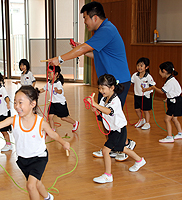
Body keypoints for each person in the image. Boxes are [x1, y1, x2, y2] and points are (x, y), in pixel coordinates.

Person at [48, 1, 135, 161]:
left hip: (118, 83)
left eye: (85, 18)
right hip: (107, 85)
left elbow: (84, 49)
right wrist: (81, 49)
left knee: (114, 117)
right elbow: (96, 54)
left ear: (95, 18)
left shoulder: (106, 30)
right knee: (103, 115)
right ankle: (113, 147)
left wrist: (60, 59)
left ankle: (123, 146)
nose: (85, 22)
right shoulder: (102, 32)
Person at [0, 85, 70, 200]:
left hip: (39, 157)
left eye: (20, 102)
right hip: (23, 159)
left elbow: (54, 135)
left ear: (33, 104)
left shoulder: (40, 123)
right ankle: (48, 197)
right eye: (15, 102)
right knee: (36, 183)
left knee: (30, 186)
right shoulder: (13, 120)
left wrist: (64, 143)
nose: (17, 106)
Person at [87, 74, 146, 184]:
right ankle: (139, 160)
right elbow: (102, 111)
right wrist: (95, 109)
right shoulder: (104, 99)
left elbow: (109, 111)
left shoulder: (115, 101)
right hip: (114, 129)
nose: (101, 91)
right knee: (122, 149)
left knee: (105, 150)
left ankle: (108, 175)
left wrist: (95, 104)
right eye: (99, 88)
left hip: (118, 129)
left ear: (112, 88)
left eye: (103, 88)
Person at [143, 61, 182, 143]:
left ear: (164, 71)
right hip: (176, 100)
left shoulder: (170, 82)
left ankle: (169, 137)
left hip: (174, 102)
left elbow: (162, 91)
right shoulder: (172, 79)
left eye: (160, 70)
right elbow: (174, 91)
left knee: (167, 119)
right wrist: (168, 98)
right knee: (174, 118)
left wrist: (154, 87)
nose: (159, 73)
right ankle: (180, 133)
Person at [39, 66, 79, 132]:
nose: (48, 74)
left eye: (50, 73)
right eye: (48, 72)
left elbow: (60, 91)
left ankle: (75, 123)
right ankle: (52, 130)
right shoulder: (48, 83)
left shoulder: (58, 83)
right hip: (52, 102)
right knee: (50, 116)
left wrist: (57, 90)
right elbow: (43, 89)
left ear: (56, 74)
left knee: (63, 118)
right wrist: (36, 91)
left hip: (60, 103)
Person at [131, 57, 156, 130]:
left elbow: (153, 86)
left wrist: (146, 89)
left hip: (146, 96)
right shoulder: (135, 75)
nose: (139, 67)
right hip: (137, 95)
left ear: (147, 67)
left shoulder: (148, 77)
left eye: (141, 66)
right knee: (137, 109)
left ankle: (147, 123)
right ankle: (141, 120)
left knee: (145, 110)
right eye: (138, 65)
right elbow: (131, 83)